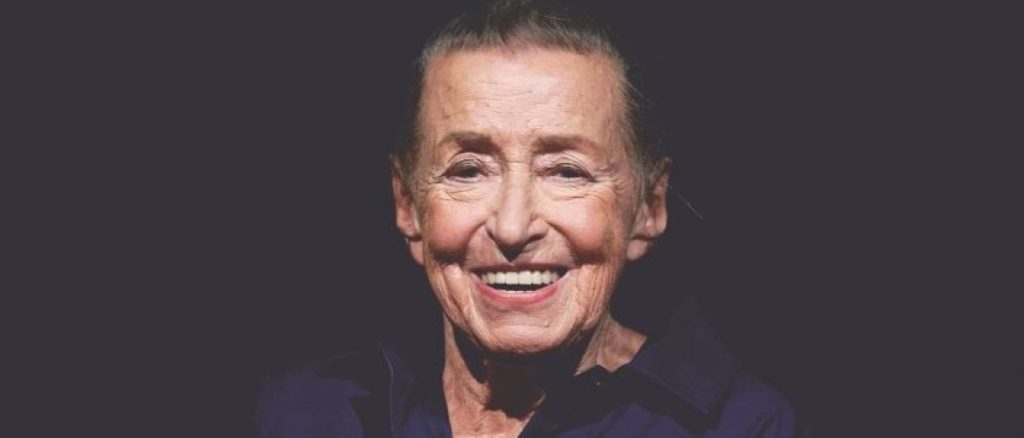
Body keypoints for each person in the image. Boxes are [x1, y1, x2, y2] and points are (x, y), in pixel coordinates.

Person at [257, 1, 805, 436]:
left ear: (647, 208)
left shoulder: (738, 425)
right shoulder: (315, 412)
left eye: (566, 171)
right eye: (468, 170)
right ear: (408, 205)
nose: (513, 227)